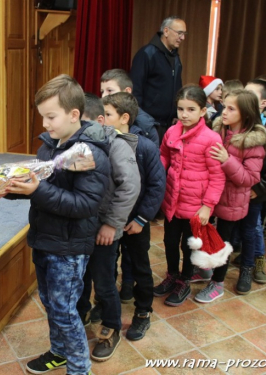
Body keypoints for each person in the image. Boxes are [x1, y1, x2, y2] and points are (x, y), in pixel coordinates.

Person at [6, 74, 110, 375]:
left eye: (50, 117)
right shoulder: (49, 146)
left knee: (65, 310)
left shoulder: (91, 154)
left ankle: (80, 368)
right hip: (44, 238)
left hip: (69, 247)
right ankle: (60, 352)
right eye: (43, 117)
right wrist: (10, 190)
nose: (45, 124)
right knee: (51, 304)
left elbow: (85, 205)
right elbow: (40, 190)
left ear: (74, 114)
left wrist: (36, 189)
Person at [78, 93, 140, 360]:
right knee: (80, 279)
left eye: (83, 123)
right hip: (81, 225)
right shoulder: (78, 142)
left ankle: (111, 328)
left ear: (100, 121)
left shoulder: (118, 146)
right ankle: (80, 318)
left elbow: (129, 188)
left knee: (104, 283)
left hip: (105, 228)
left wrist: (112, 225)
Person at [194, 89, 266, 303]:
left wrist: (227, 160)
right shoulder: (220, 131)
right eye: (224, 106)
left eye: (230, 108)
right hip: (212, 198)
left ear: (245, 113)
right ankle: (207, 270)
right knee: (207, 237)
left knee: (222, 243)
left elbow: (249, 179)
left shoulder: (252, 142)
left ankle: (217, 284)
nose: (223, 112)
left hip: (232, 203)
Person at [155, 86, 226, 307]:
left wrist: (207, 206)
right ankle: (172, 276)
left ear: (203, 111)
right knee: (169, 241)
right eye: (180, 109)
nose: (184, 114)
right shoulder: (171, 132)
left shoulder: (211, 138)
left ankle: (184, 281)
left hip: (195, 206)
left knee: (189, 245)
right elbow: (163, 158)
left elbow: (217, 177)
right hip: (172, 202)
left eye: (191, 109)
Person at [102, 92, 165, 341]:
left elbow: (157, 185)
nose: (102, 119)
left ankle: (143, 311)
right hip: (110, 220)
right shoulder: (102, 142)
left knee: (140, 266)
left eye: (107, 115)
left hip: (136, 220)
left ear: (124, 117)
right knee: (107, 265)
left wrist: (141, 219)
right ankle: (106, 307)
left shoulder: (145, 146)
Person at [229, 80, 266, 291]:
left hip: (254, 192)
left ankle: (249, 267)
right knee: (232, 230)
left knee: (252, 229)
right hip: (231, 189)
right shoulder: (234, 121)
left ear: (263, 103)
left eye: (249, 94)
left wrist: (257, 190)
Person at [130, 16, 186, 141]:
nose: (182, 38)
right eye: (180, 33)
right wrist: (141, 120)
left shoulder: (176, 58)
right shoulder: (147, 54)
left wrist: (178, 113)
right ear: (166, 31)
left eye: (184, 34)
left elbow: (178, 88)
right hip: (148, 126)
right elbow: (135, 90)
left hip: (169, 126)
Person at [100, 69, 159, 146]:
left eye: (110, 90)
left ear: (127, 91)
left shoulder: (146, 125)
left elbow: (152, 154)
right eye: (102, 91)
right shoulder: (99, 116)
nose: (103, 96)